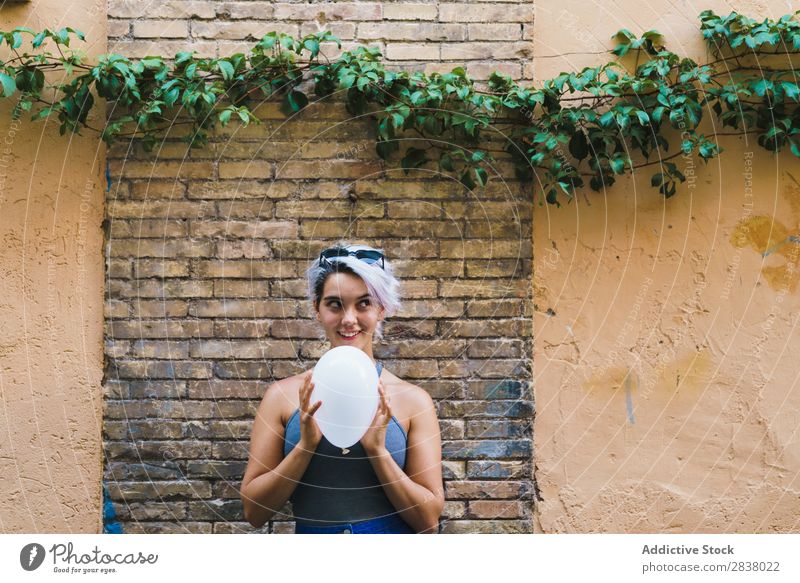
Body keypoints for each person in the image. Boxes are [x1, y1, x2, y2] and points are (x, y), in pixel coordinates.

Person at [240, 243, 444, 533]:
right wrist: (306, 446)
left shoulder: (413, 401)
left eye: (364, 303)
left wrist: (377, 451)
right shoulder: (282, 398)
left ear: (381, 309)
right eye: (335, 304)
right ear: (317, 309)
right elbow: (254, 512)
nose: (349, 319)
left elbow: (428, 522)